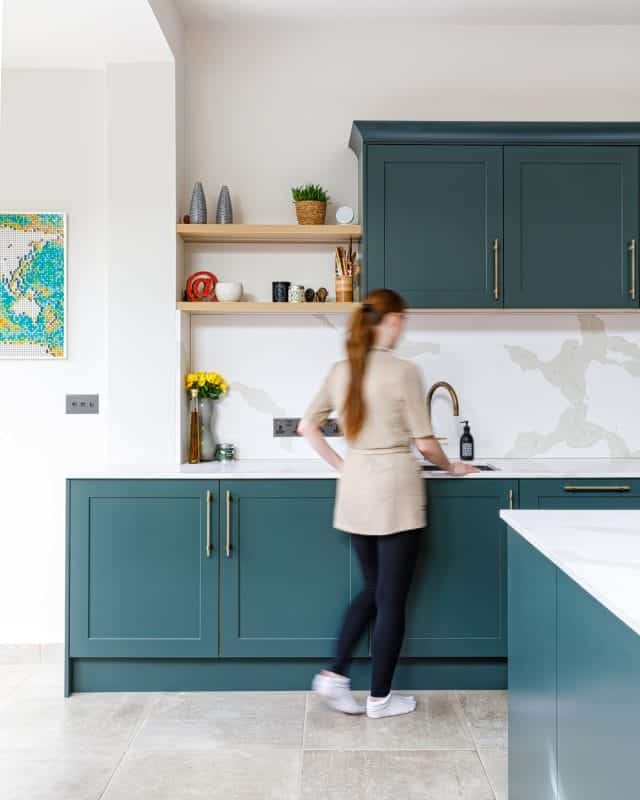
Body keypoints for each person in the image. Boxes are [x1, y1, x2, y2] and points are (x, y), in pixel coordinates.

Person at [298, 288, 478, 719]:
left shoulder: (342, 370)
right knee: (391, 597)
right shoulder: (403, 371)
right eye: (402, 319)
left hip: (357, 487)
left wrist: (345, 466)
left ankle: (334, 675)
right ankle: (380, 697)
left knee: (374, 590)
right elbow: (424, 443)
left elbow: (307, 426)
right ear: (391, 320)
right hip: (394, 489)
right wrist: (451, 467)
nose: (404, 326)